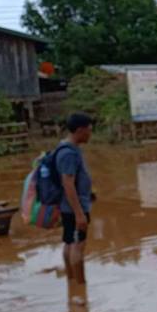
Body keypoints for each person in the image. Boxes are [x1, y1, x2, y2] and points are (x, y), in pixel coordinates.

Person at [58, 113, 94, 297]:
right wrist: (79, 213)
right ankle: (81, 286)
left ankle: (72, 283)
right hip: (74, 208)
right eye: (89, 130)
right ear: (80, 130)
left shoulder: (68, 149)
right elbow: (67, 183)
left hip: (70, 206)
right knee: (77, 246)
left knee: (70, 243)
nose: (90, 134)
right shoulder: (68, 154)